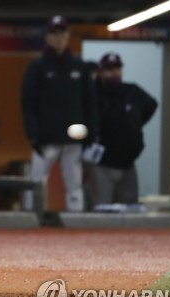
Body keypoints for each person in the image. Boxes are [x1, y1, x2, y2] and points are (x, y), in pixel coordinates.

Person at [21, 15, 98, 212]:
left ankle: (76, 222)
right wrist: (34, 135)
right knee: (37, 183)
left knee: (74, 185)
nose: (58, 38)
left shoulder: (79, 66)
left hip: (75, 138)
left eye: (62, 33)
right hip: (45, 139)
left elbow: (90, 102)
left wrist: (91, 133)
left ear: (68, 35)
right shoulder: (37, 67)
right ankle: (32, 220)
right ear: (47, 37)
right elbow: (28, 103)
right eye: (54, 33)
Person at [88, 52, 157, 208]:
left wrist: (135, 124)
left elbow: (152, 105)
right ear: (101, 71)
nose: (114, 73)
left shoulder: (131, 91)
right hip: (102, 162)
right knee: (102, 209)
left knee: (130, 210)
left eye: (117, 68)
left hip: (128, 162)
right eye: (110, 69)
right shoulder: (92, 93)